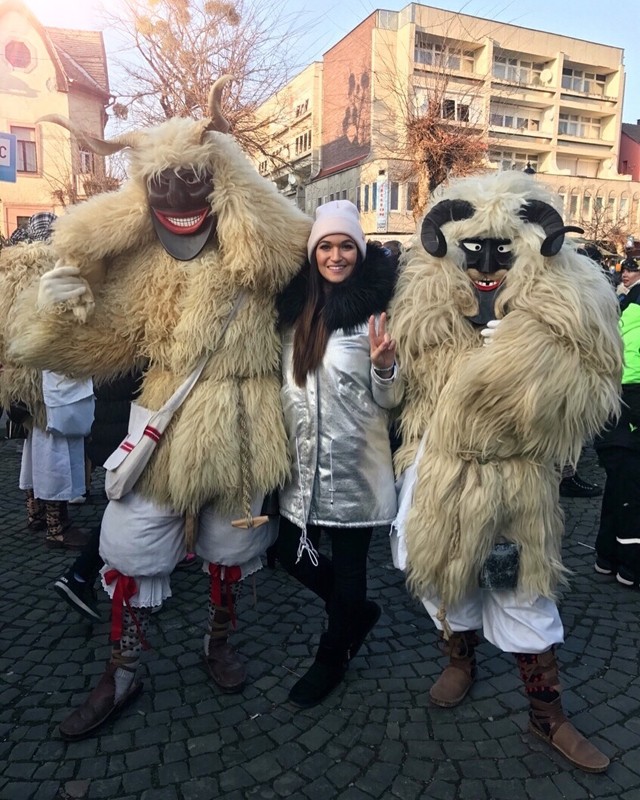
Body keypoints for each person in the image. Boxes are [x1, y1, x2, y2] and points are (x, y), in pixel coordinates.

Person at [7, 77, 311, 740]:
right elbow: (110, 340)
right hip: (166, 424)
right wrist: (61, 311)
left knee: (231, 544)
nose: (179, 199)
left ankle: (217, 640)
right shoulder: (149, 263)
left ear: (221, 181)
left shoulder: (257, 250)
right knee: (130, 544)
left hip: (245, 424)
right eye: (161, 184)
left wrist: (226, 163)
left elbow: (285, 246)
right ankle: (121, 671)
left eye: (196, 180)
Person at [389, 171, 622, 773]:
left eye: (503, 251)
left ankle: (548, 717)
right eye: (475, 250)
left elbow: (592, 387)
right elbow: (400, 398)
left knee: (521, 588)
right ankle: (460, 659)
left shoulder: (562, 313)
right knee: (440, 575)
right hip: (438, 471)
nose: (487, 265)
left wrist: (524, 356)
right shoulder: (425, 311)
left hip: (514, 480)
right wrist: (387, 369)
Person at [276, 200, 402, 708]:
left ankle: (333, 653)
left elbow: (391, 402)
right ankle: (354, 612)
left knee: (350, 570)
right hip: (300, 467)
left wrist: (386, 366)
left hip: (356, 470)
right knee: (287, 553)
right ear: (313, 254)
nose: (336, 255)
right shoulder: (292, 315)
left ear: (360, 250)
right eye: (326, 246)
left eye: (346, 245)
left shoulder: (376, 313)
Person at [594, 257, 640, 588]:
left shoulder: (625, 303)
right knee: (631, 493)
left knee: (620, 488)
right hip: (628, 408)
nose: (626, 272)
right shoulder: (629, 303)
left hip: (616, 409)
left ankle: (607, 557)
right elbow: (629, 365)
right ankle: (630, 566)